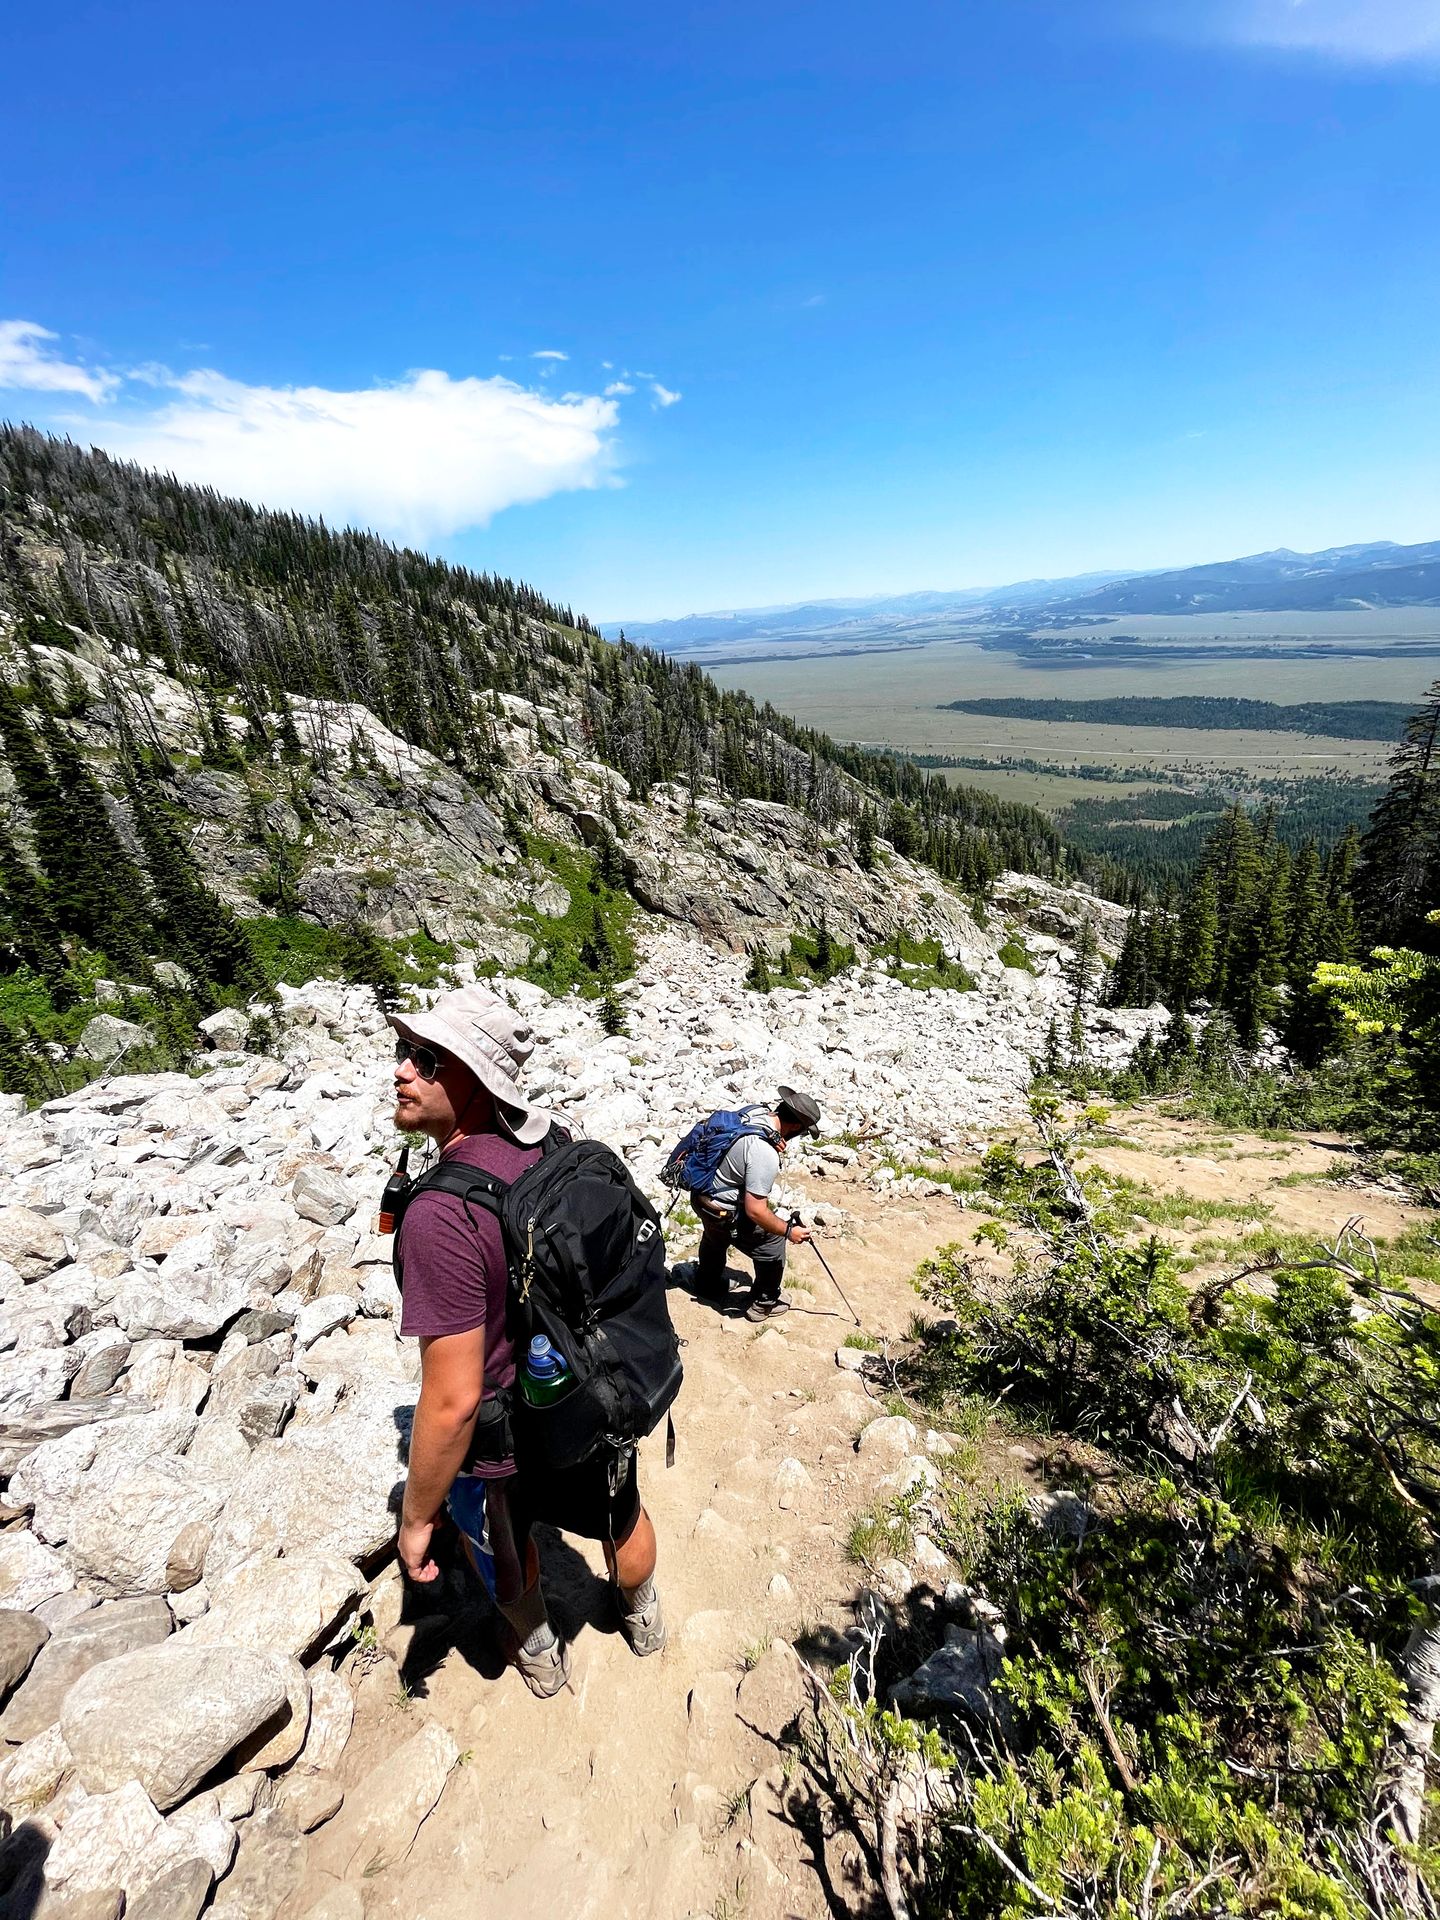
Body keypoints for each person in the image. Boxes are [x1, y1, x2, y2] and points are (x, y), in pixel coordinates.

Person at [390, 983, 665, 1699]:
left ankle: (541, 1655)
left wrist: (416, 1518)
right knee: (622, 1514)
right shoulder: (557, 1144)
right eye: (404, 1052)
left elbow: (451, 1400)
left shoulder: (439, 1215)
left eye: (426, 1059)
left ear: (477, 1078)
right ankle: (642, 1618)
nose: (402, 1070)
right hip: (587, 1387)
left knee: (508, 1556)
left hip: (503, 1438)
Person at [692, 1085, 822, 1321]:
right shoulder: (764, 1152)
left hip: (701, 1197)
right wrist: (788, 1231)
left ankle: (706, 1284)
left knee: (714, 1237)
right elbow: (755, 1211)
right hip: (724, 1210)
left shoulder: (755, 1114)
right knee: (772, 1240)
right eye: (802, 1131)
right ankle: (764, 1303)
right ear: (794, 1126)